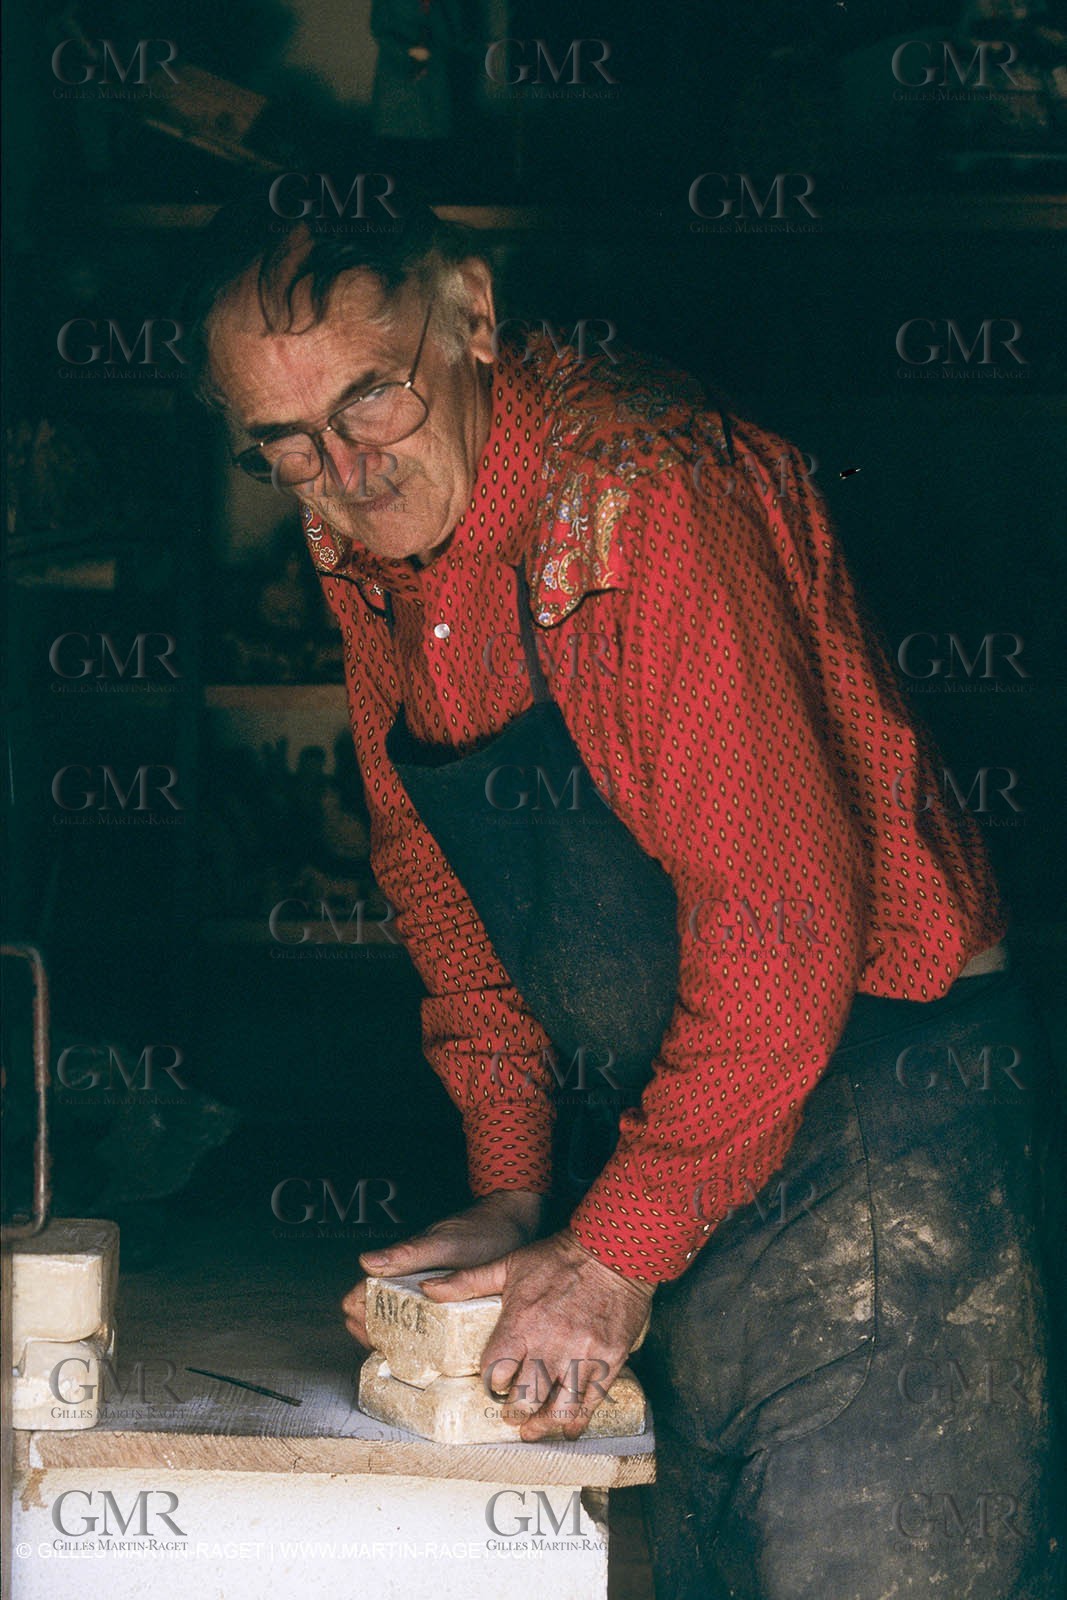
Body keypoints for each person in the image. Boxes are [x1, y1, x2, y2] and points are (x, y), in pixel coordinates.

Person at [187, 189, 1063, 1599]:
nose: (340, 471)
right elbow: (442, 883)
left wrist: (610, 1251)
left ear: (471, 313)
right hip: (680, 1153)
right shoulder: (364, 541)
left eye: (370, 403)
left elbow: (782, 932)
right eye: (282, 444)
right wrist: (515, 1183)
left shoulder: (644, 496)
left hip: (880, 1135)